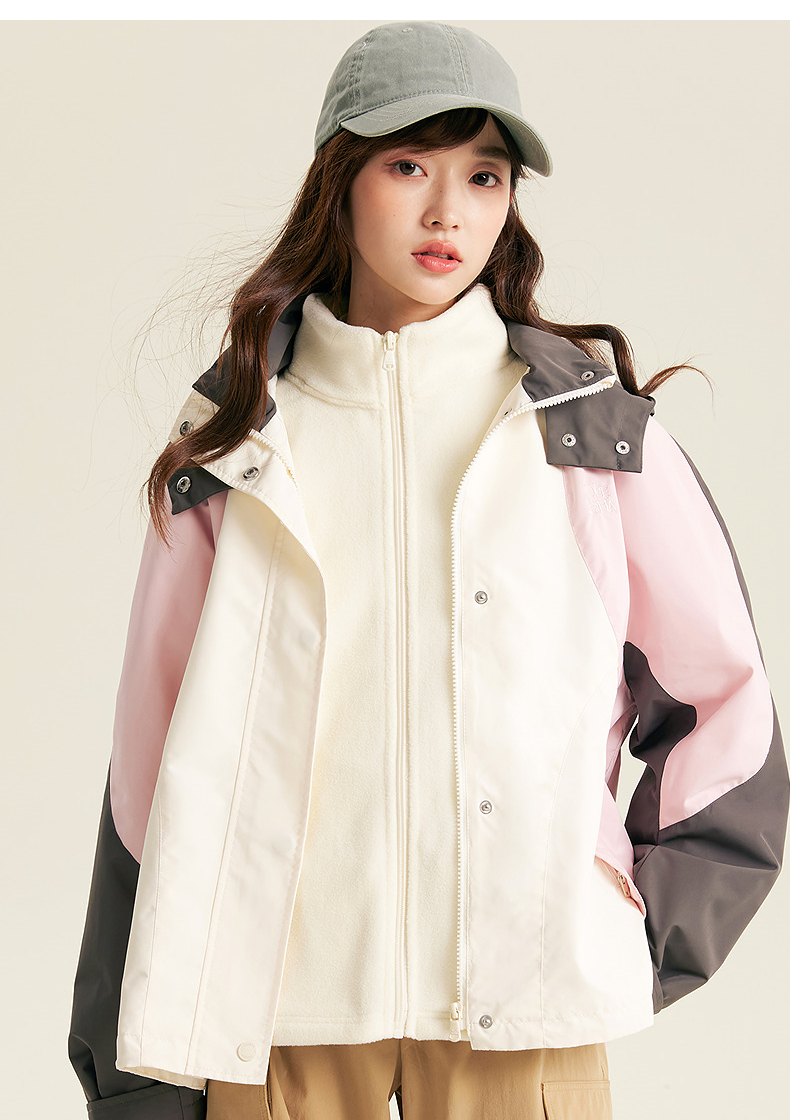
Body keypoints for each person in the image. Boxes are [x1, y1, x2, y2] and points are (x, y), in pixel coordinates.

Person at [68, 20, 789, 1120]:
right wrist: (125, 1053)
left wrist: (631, 935)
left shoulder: (588, 435)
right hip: (278, 1015)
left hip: (524, 1008)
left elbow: (725, 711)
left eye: (484, 176)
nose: (449, 210)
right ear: (339, 181)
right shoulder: (237, 442)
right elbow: (149, 769)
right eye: (408, 165)